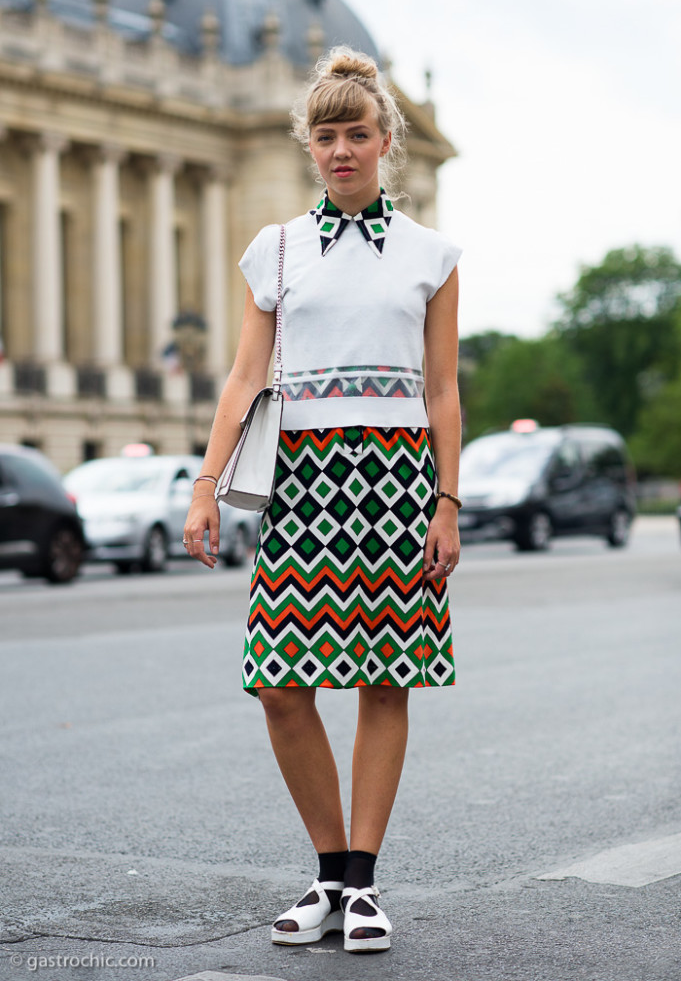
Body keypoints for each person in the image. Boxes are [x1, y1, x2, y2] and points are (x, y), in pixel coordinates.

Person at [183, 46, 462, 954]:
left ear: (387, 142)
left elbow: (444, 389)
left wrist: (446, 502)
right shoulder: (276, 249)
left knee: (384, 681)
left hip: (396, 478)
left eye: (357, 133)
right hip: (303, 480)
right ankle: (325, 869)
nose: (341, 149)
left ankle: (361, 887)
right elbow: (242, 376)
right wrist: (204, 486)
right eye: (325, 135)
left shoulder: (431, 254)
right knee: (278, 684)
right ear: (309, 146)